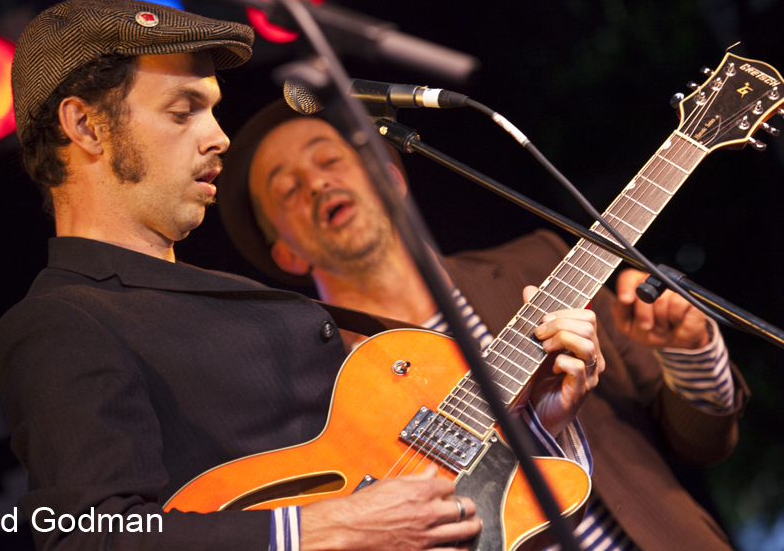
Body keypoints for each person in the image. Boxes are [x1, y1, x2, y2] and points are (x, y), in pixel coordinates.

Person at [0, 0, 603, 551]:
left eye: (212, 110)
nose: (220, 137)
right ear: (85, 127)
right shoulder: (60, 321)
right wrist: (332, 525)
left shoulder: (240, 298)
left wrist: (536, 424)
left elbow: (389, 478)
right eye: (184, 112)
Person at [217, 99, 751, 551]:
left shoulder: (540, 265)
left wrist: (692, 350)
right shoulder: (324, 381)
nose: (316, 184)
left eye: (330, 159)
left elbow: (704, 443)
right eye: (288, 189)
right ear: (285, 254)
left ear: (392, 177)